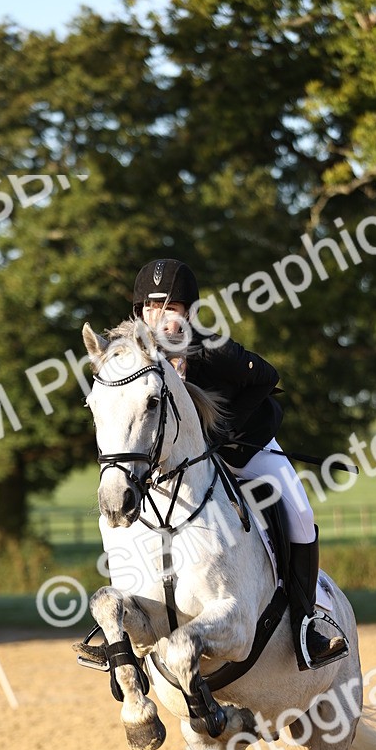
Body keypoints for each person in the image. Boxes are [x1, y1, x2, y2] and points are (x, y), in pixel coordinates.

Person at [132, 257, 346, 670]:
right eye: (150, 308)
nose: (158, 318)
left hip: (246, 447)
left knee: (300, 513)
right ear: (139, 312)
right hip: (181, 467)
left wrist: (227, 433)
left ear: (188, 313)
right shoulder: (137, 362)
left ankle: (308, 625)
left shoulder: (211, 349)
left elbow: (267, 376)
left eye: (170, 308)